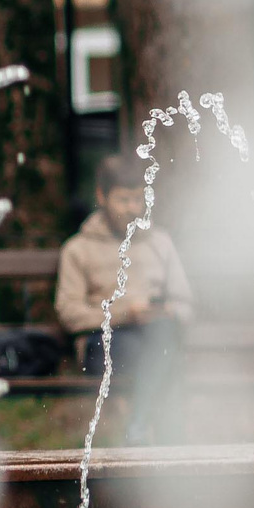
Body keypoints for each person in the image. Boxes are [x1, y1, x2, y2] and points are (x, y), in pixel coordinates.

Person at [56, 152, 195, 393]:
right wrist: (125, 314)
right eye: (123, 200)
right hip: (103, 340)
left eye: (138, 199)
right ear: (102, 196)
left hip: (155, 334)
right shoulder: (78, 249)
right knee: (152, 354)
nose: (132, 208)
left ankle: (141, 418)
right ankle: (154, 418)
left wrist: (167, 310)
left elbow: (185, 303)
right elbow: (69, 314)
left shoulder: (160, 242)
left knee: (161, 341)